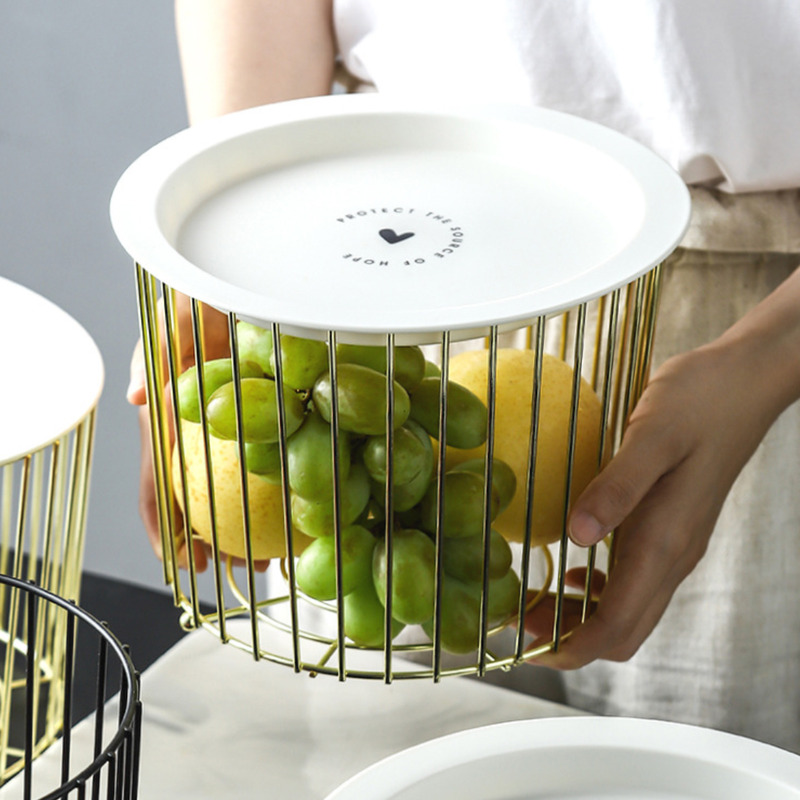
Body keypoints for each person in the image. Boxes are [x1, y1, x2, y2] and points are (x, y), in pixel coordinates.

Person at [127, 0, 800, 751]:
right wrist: (226, 260)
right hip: (365, 284)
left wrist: (773, 353)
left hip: (750, 332)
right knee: (361, 759)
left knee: (693, 759)